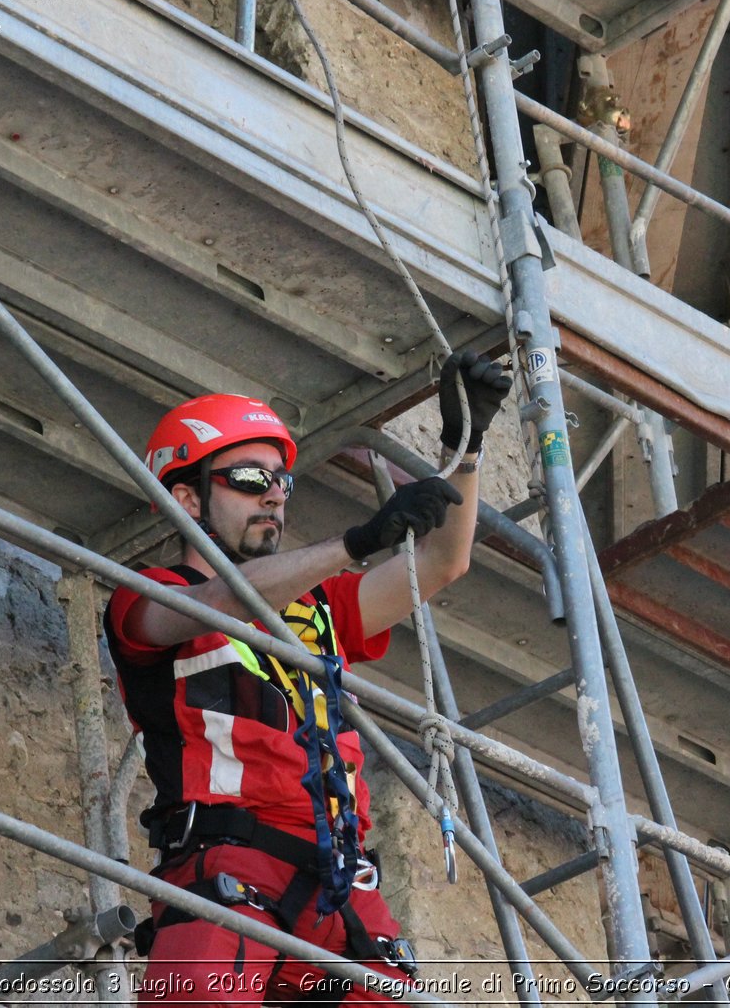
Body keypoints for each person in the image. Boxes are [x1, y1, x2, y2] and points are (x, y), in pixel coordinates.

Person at [104, 351, 511, 1005]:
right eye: (246, 476)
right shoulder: (148, 595)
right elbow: (223, 601)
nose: (273, 492)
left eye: (281, 480)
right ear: (185, 497)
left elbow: (442, 561)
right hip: (230, 865)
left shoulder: (320, 608)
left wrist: (467, 446)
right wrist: (356, 541)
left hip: (344, 889)